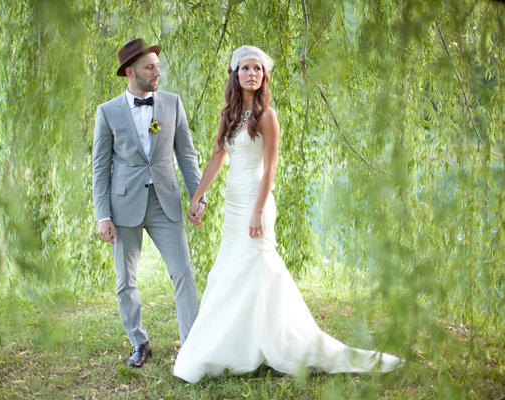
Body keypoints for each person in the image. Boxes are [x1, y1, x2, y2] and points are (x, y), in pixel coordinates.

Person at [174, 45, 402, 382]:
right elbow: (217, 158)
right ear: (235, 74)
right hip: (233, 205)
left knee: (257, 266)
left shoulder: (267, 116)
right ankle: (237, 344)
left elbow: (269, 169)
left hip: (256, 200)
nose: (252, 73)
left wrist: (258, 211)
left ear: (264, 77)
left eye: (258, 69)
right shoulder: (228, 115)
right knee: (232, 268)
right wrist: (197, 196)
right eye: (246, 68)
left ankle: (277, 340)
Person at [92, 38, 206, 368]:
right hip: (123, 205)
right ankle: (139, 342)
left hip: (165, 202)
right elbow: (100, 167)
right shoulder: (107, 112)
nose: (157, 72)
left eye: (157, 66)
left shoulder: (172, 104)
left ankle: (192, 345)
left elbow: (187, 155)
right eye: (150, 67)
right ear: (130, 72)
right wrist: (102, 215)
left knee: (183, 272)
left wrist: (198, 196)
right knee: (125, 280)